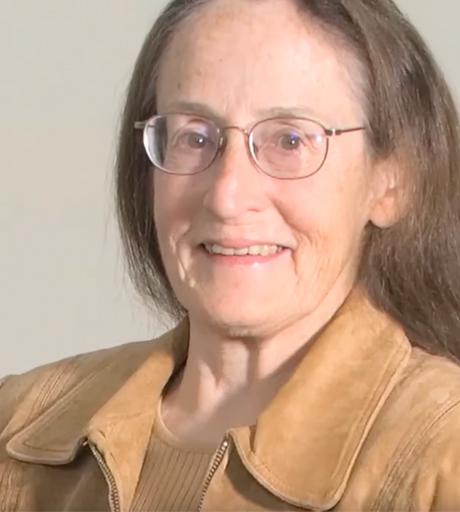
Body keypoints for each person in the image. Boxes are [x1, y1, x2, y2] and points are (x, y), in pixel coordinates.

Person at [2, 0, 460, 510]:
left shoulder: (443, 459)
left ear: (391, 182)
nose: (226, 195)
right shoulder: (15, 427)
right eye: (195, 137)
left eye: (290, 140)